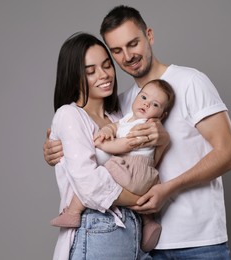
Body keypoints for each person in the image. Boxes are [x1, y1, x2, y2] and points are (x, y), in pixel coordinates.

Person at [44, 5, 231, 259]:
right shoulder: (123, 106)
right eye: (116, 50)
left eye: (133, 43)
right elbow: (82, 144)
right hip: (143, 244)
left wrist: (168, 189)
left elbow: (230, 153)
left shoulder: (190, 81)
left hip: (197, 239)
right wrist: (53, 146)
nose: (127, 55)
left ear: (149, 35)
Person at [49, 31, 152, 260]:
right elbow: (90, 184)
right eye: (90, 71)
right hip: (100, 229)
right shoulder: (69, 115)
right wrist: (142, 201)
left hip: (133, 231)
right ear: (74, 77)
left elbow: (142, 162)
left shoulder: (118, 117)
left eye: (107, 65)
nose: (104, 75)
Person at [50, 79, 175, 252]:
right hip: (145, 178)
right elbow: (115, 126)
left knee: (102, 173)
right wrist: (107, 131)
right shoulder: (128, 118)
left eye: (154, 104)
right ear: (136, 97)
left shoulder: (146, 125)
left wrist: (102, 145)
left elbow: (126, 145)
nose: (146, 104)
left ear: (161, 114)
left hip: (133, 171)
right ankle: (149, 222)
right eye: (144, 97)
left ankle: (73, 212)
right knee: (101, 177)